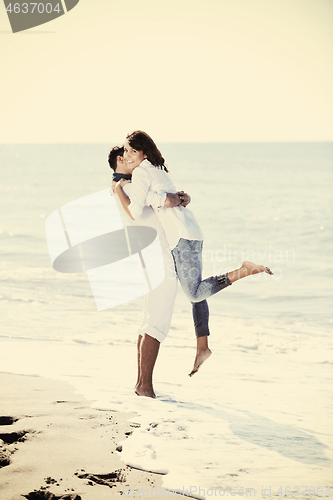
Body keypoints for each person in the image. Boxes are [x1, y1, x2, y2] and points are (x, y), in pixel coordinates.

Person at [115, 131, 274, 377]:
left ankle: (245, 269)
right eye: (124, 152)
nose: (127, 156)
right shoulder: (156, 168)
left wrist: (125, 190)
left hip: (182, 237)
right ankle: (203, 347)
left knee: (195, 291)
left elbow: (136, 211)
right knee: (196, 291)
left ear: (143, 152)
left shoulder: (142, 172)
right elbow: (165, 198)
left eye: (130, 151)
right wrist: (170, 198)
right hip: (188, 234)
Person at [108, 146, 191, 398]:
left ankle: (141, 384)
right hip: (157, 258)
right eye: (129, 156)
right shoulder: (130, 188)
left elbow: (162, 199)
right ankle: (145, 387)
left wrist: (179, 197)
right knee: (156, 323)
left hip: (148, 257)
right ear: (120, 160)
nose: (134, 159)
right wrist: (177, 198)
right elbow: (163, 200)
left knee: (148, 322)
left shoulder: (123, 188)